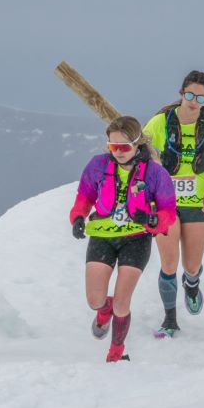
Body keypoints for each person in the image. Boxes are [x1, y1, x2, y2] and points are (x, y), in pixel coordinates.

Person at [68, 116, 177, 363]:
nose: (118, 152)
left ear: (137, 144)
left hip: (136, 238)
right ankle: (103, 311)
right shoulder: (97, 166)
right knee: (95, 300)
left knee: (121, 303)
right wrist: (77, 218)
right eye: (112, 146)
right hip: (103, 236)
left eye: (124, 147)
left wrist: (150, 220)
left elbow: (168, 212)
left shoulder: (155, 173)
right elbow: (84, 196)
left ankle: (116, 351)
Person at [142, 71, 204, 337]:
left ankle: (192, 283)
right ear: (181, 93)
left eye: (200, 97)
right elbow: (141, 154)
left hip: (198, 200)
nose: (194, 101)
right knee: (169, 262)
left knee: (191, 265)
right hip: (165, 201)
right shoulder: (159, 122)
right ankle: (170, 319)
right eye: (190, 95)